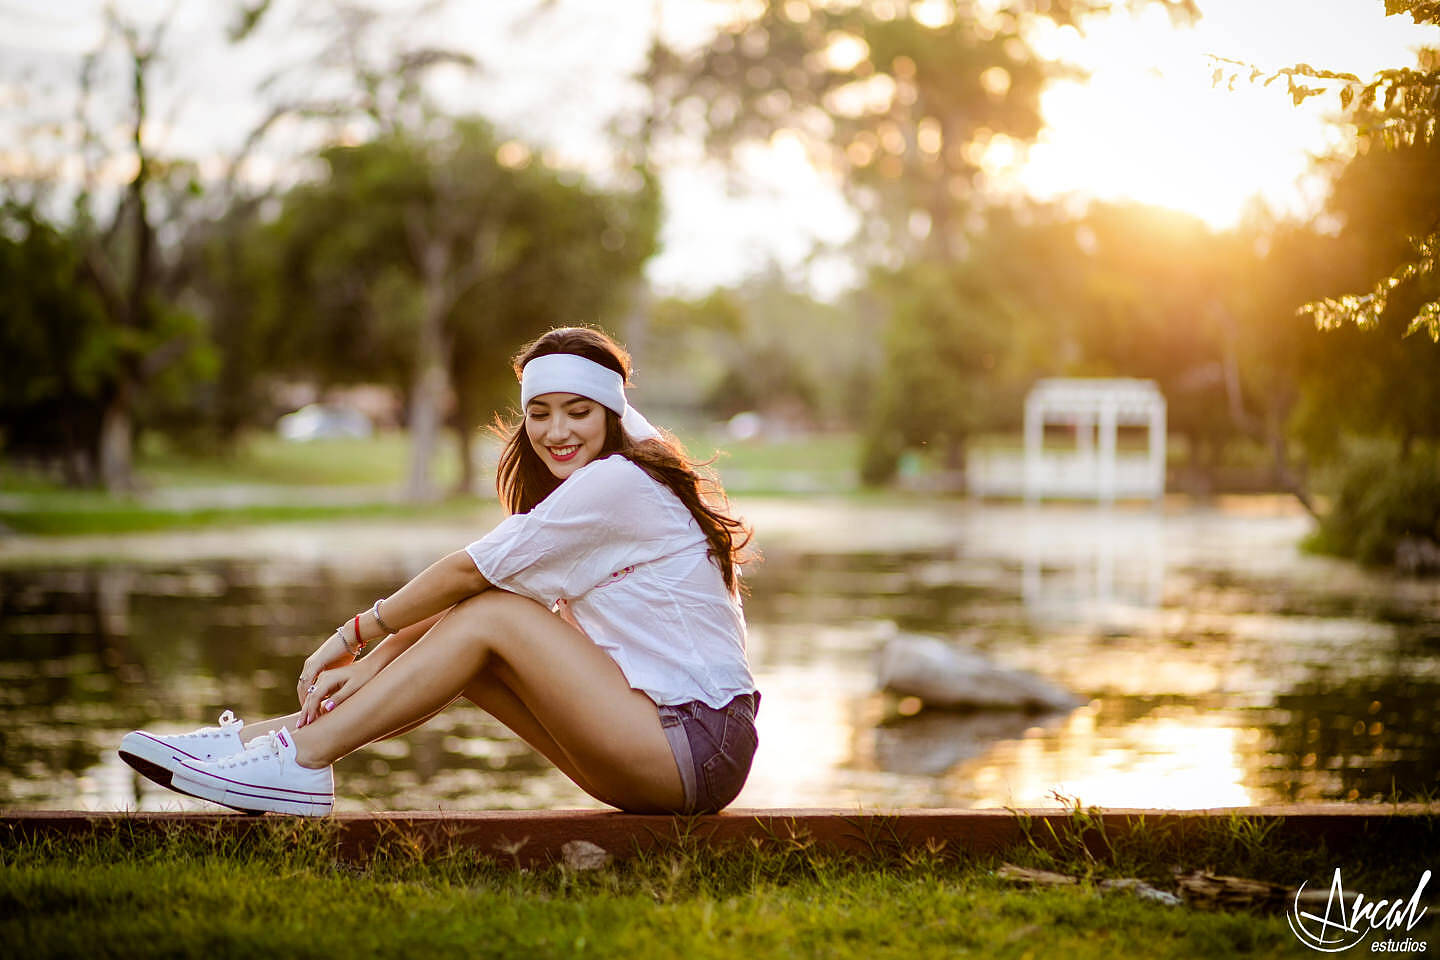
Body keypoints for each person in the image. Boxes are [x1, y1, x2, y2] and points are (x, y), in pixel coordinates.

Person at [119, 327, 760, 816]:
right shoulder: (599, 487)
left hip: (699, 742)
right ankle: (259, 747)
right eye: (540, 413)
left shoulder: (621, 483)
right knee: (481, 637)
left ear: (610, 414)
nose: (556, 430)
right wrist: (373, 664)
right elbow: (472, 599)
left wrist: (354, 636)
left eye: (578, 411)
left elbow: (466, 573)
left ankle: (304, 760)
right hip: (663, 746)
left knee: (498, 614)